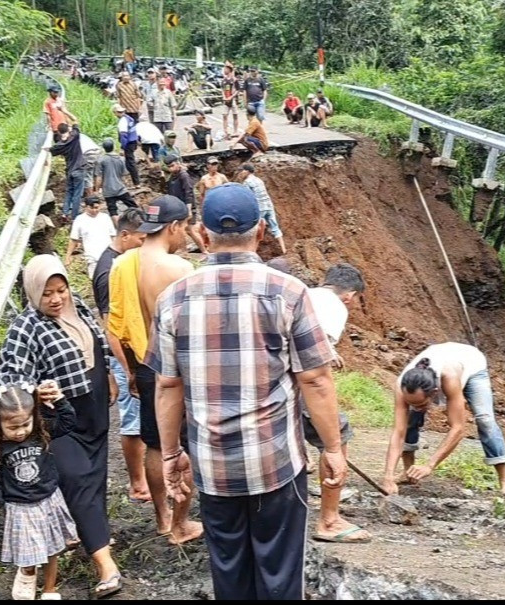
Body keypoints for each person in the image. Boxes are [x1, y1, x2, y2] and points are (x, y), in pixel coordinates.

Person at [146, 183, 346, 600]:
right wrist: (332, 448)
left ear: (202, 234)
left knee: (229, 571)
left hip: (213, 466)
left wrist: (169, 454)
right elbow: (315, 378)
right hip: (275, 463)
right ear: (260, 233)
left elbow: (167, 384)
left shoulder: (173, 299)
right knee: (279, 573)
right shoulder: (289, 292)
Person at [0, 255, 123, 599]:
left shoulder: (77, 305)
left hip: (94, 406)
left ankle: (86, 531)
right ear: (32, 292)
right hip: (61, 419)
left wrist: (109, 373)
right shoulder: (25, 328)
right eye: (47, 294)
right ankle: (105, 564)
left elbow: (96, 340)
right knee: (79, 479)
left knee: (94, 475)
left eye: (61, 290)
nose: (56, 299)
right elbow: (9, 382)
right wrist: (35, 391)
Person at [108, 195, 204, 546]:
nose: (186, 236)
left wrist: (130, 370)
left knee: (154, 442)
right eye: (185, 228)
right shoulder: (178, 269)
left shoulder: (123, 263)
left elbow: (116, 324)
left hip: (145, 365)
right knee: (183, 444)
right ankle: (182, 523)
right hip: (177, 368)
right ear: (174, 227)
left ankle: (162, 518)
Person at [0, 382, 79, 601]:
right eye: (13, 427)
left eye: (25, 424)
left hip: (48, 500)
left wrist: (58, 399)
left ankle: (50, 589)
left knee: (52, 548)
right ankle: (27, 572)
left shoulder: (40, 433)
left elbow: (68, 422)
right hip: (20, 507)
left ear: (33, 416)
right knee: (27, 551)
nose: (20, 432)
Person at [383, 342, 505, 496]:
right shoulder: (402, 386)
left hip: (471, 362)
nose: (416, 406)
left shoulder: (450, 377)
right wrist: (388, 476)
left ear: (434, 393)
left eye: (421, 403)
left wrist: (429, 465)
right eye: (411, 403)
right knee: (410, 420)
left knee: (485, 420)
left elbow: (458, 428)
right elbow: (398, 432)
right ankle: (409, 472)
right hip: (441, 353)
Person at [303, 263, 371, 544]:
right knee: (337, 434)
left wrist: (329, 350)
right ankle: (329, 520)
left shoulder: (304, 294)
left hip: (266, 385)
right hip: (299, 384)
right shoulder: (335, 307)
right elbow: (313, 361)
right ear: (349, 295)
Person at [93, 209, 151, 504]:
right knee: (132, 420)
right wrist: (128, 369)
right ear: (125, 235)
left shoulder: (119, 262)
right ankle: (138, 483)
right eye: (141, 238)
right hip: (123, 355)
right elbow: (109, 327)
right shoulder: (109, 270)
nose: (144, 244)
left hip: (130, 352)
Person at [164, 156, 208, 254]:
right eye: (169, 167)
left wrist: (188, 209)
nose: (171, 168)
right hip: (178, 207)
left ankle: (188, 250)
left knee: (184, 229)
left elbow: (189, 192)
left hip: (186, 207)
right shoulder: (172, 177)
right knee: (189, 230)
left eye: (172, 165)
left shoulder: (184, 175)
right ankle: (202, 250)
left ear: (178, 163)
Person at [237, 163, 284, 253]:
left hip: (260, 208)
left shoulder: (247, 182)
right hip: (269, 206)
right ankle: (284, 250)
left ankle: (252, 252)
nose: (240, 173)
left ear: (247, 171)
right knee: (276, 228)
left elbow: (248, 198)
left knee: (255, 230)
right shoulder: (259, 180)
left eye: (241, 171)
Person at [65, 197, 116, 278]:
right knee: (96, 281)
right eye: (91, 208)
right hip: (92, 258)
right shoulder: (80, 219)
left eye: (96, 208)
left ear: (100, 206)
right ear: (86, 207)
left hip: (108, 256)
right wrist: (68, 256)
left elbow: (113, 236)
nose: (94, 210)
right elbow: (73, 239)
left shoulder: (105, 217)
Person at [49, 123, 87, 221]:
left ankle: (65, 214)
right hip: (79, 168)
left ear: (59, 132)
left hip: (70, 170)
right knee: (77, 194)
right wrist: (64, 111)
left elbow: (50, 150)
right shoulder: (75, 136)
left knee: (69, 192)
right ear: (68, 130)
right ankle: (75, 217)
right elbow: (75, 122)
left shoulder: (59, 145)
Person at [95, 139, 138, 221]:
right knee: (133, 206)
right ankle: (137, 223)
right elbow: (125, 174)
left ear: (104, 148)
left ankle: (118, 229)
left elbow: (99, 177)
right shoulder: (121, 159)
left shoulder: (101, 160)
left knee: (113, 211)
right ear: (113, 147)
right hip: (120, 188)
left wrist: (97, 190)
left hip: (108, 190)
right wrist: (126, 184)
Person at [113, 104, 142, 187]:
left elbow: (123, 135)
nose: (120, 113)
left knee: (130, 162)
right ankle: (134, 181)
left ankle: (136, 183)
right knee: (129, 162)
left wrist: (122, 147)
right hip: (133, 141)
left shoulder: (122, 121)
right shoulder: (129, 118)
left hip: (128, 143)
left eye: (120, 112)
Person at [220, 63, 243, 139]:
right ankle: (225, 131)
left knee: (235, 115)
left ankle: (235, 131)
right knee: (224, 115)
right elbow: (222, 89)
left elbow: (237, 90)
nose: (224, 70)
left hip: (233, 100)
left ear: (229, 70)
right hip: (226, 100)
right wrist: (224, 96)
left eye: (225, 69)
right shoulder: (224, 80)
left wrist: (231, 97)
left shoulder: (234, 80)